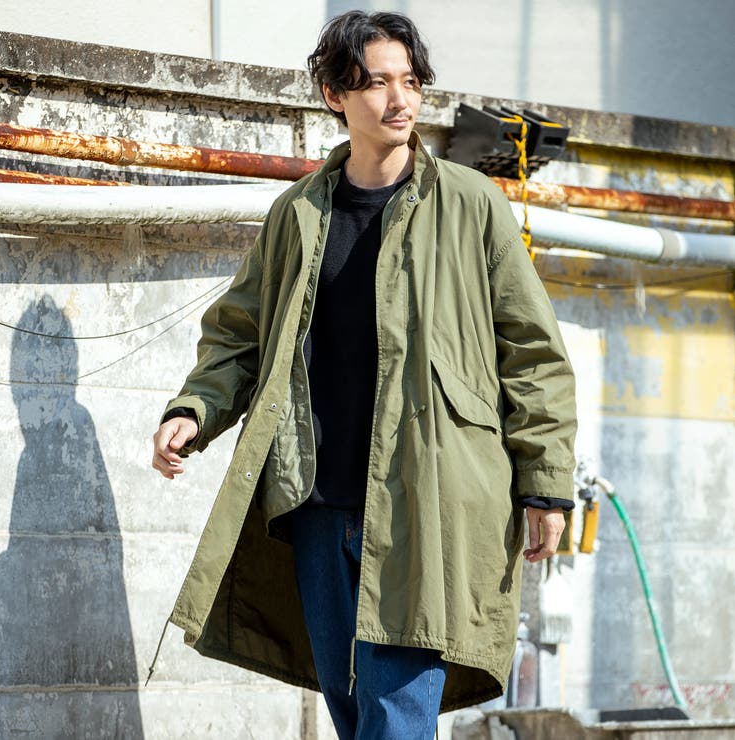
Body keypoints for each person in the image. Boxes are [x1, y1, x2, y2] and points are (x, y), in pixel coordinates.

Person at [151, 10, 576, 739]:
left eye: (410, 81)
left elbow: (533, 353)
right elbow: (241, 334)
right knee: (355, 717)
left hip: (427, 503)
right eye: (377, 83)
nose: (399, 100)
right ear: (334, 95)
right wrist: (194, 408)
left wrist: (545, 483)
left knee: (394, 716)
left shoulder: (470, 205)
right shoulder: (298, 215)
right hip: (316, 504)